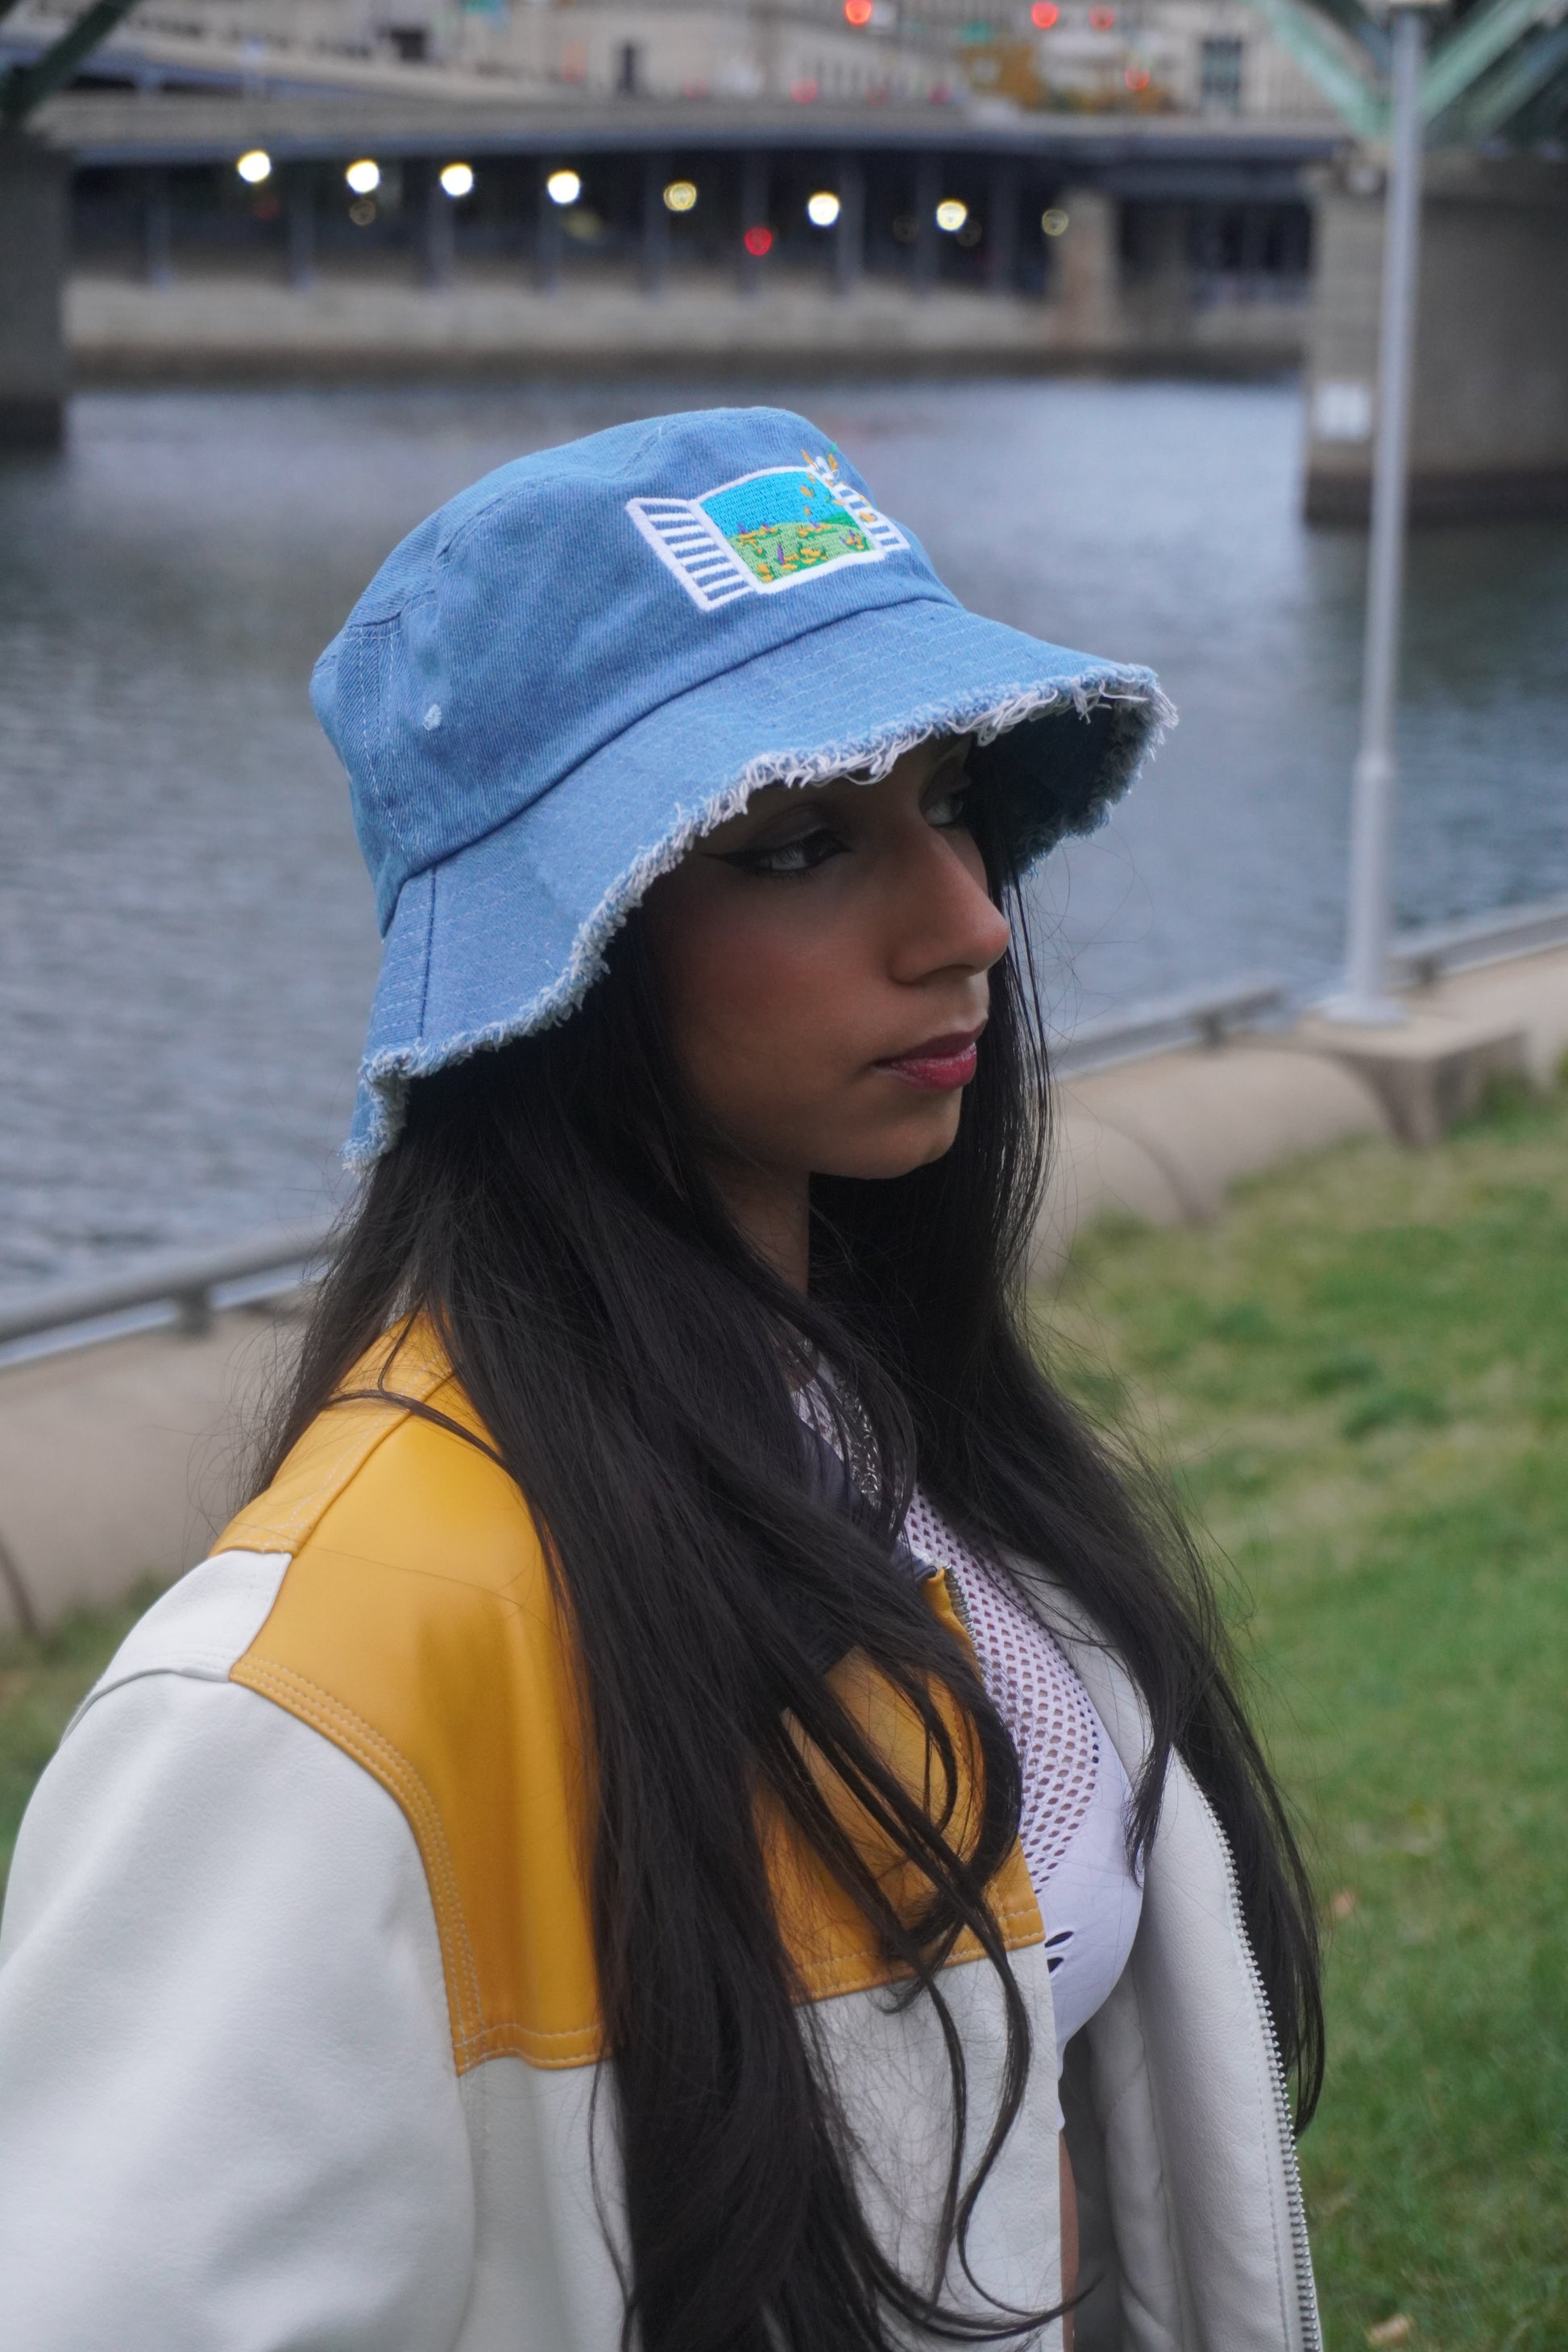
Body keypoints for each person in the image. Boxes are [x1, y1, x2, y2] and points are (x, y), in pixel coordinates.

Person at [0, 408, 1322, 2352]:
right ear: (563, 953)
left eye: (956, 801)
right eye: (798, 841)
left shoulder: (913, 1450)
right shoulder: (312, 1695)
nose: (967, 921)